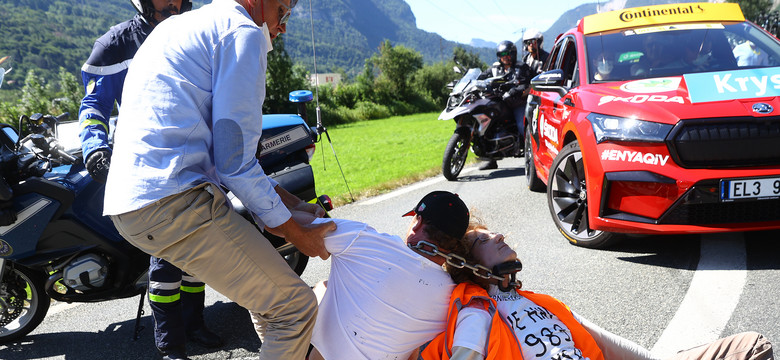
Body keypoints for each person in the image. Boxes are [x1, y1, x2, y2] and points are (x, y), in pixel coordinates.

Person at [102, 0, 337, 359]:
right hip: (174, 200)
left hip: (131, 202)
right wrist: (297, 233)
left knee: (270, 301)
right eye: (284, 11)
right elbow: (235, 164)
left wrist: (295, 206)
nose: (284, 25)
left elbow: (221, 159)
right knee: (295, 307)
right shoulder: (242, 33)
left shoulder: (179, 27)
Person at [77, 1, 223, 359]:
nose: (171, 5)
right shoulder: (116, 45)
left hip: (197, 157)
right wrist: (95, 148)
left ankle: (194, 324)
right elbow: (93, 104)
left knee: (197, 251)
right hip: (148, 163)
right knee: (166, 256)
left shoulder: (194, 30)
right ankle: (171, 346)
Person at [420, 222, 775, 360]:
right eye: (483, 239)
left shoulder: (543, 303)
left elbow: (605, 342)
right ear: (469, 262)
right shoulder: (476, 308)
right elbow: (466, 354)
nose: (497, 236)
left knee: (752, 347)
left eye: (494, 233)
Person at [294, 191, 472, 360]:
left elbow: (291, 224)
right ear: (455, 248)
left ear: (417, 223)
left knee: (321, 288)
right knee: (411, 345)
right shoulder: (451, 296)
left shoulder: (362, 239)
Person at [477, 40, 532, 171]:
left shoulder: (521, 67)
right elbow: (481, 77)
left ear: (513, 54)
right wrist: (472, 82)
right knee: (487, 124)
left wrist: (512, 92)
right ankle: (490, 159)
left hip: (516, 103)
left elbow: (525, 84)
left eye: (508, 54)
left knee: (521, 124)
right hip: (499, 101)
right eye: (502, 54)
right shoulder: (495, 68)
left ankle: (530, 155)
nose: (505, 57)